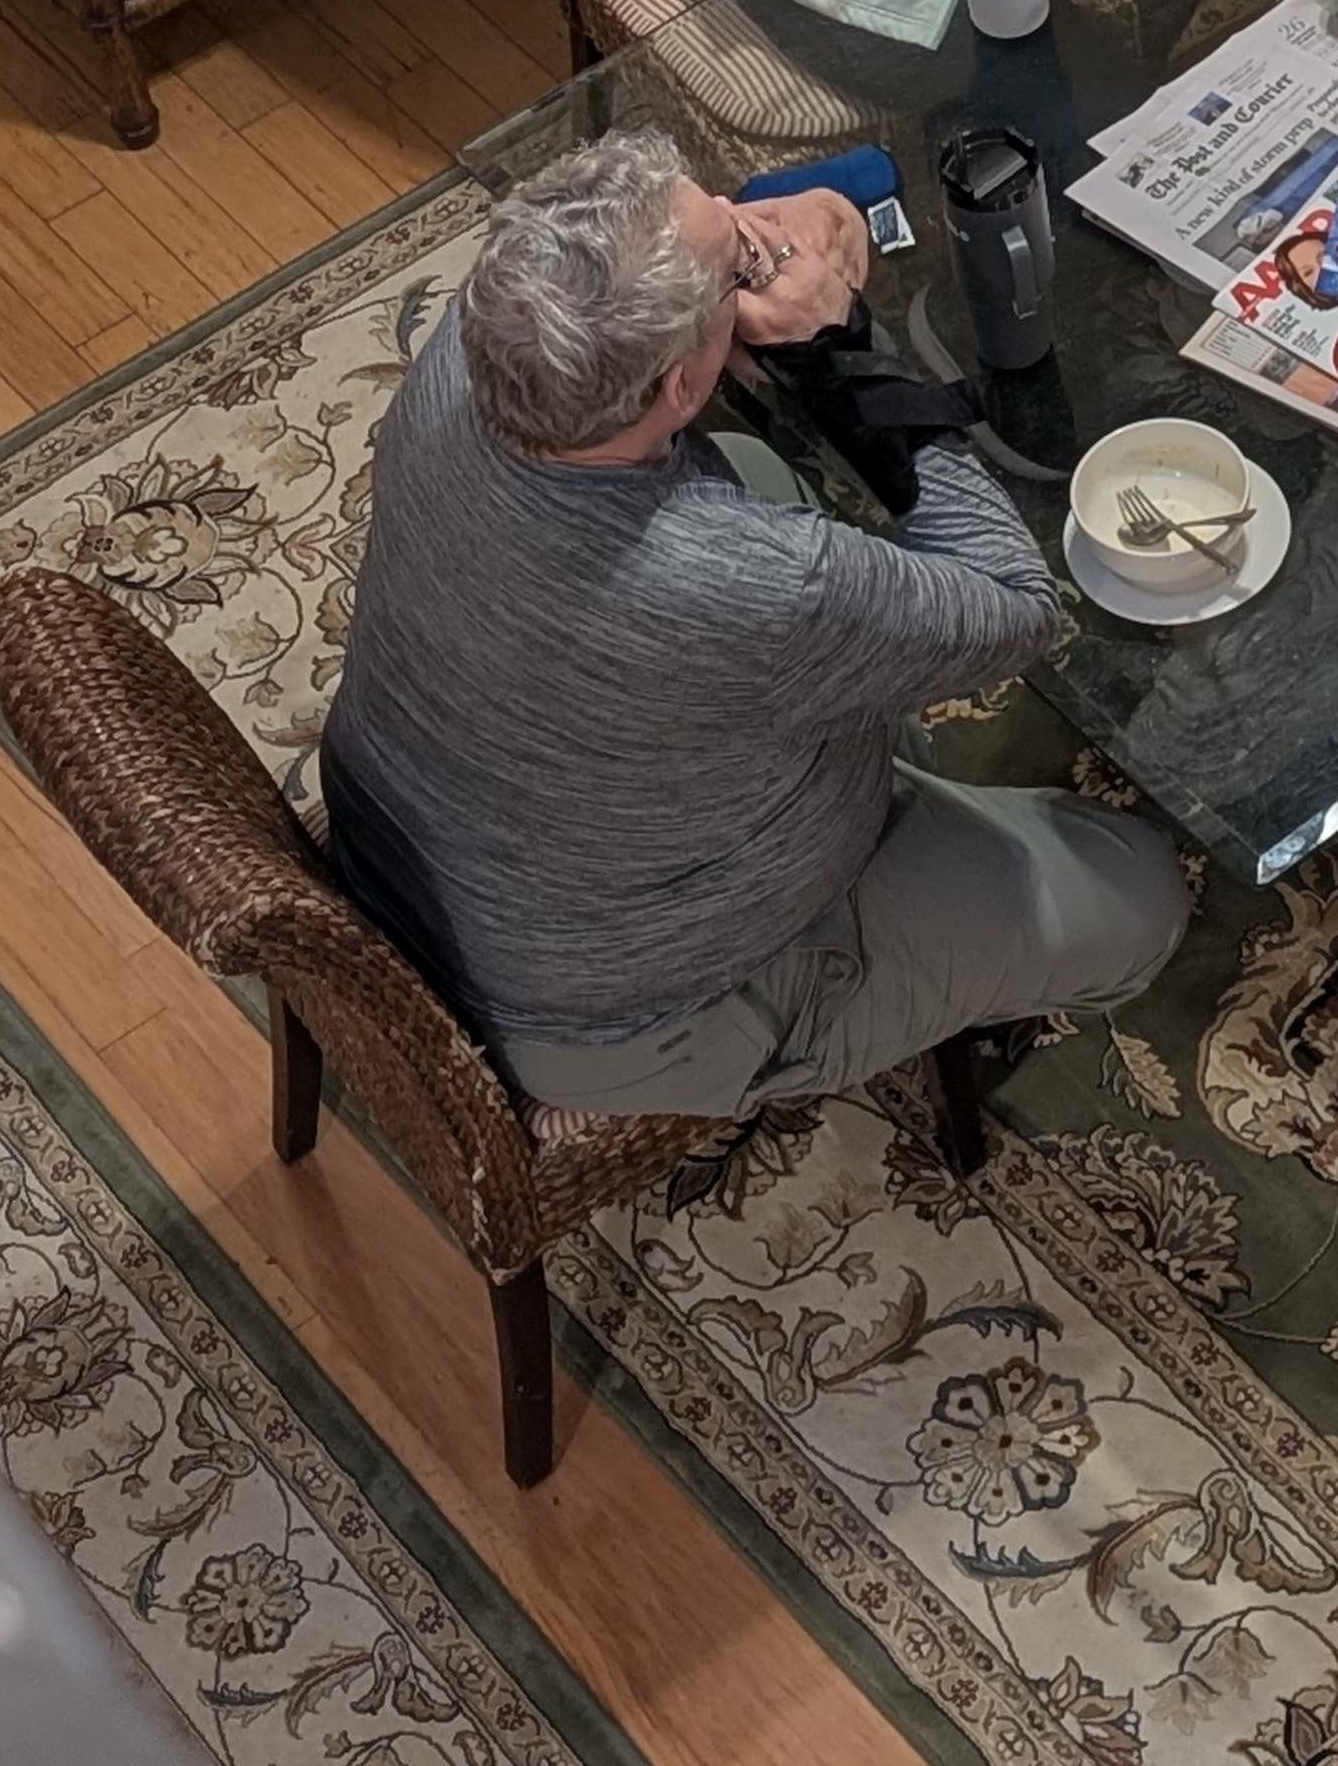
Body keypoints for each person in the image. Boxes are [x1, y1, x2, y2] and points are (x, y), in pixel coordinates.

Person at [320, 130, 1188, 1111]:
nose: (749, 232)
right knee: (1142, 890)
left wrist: (793, 222)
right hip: (617, 1012)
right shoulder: (750, 584)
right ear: (681, 387)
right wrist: (848, 348)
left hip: (425, 839)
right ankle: (915, 1002)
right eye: (738, 264)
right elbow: (1015, 604)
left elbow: (640, 277)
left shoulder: (477, 340)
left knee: (765, 480)